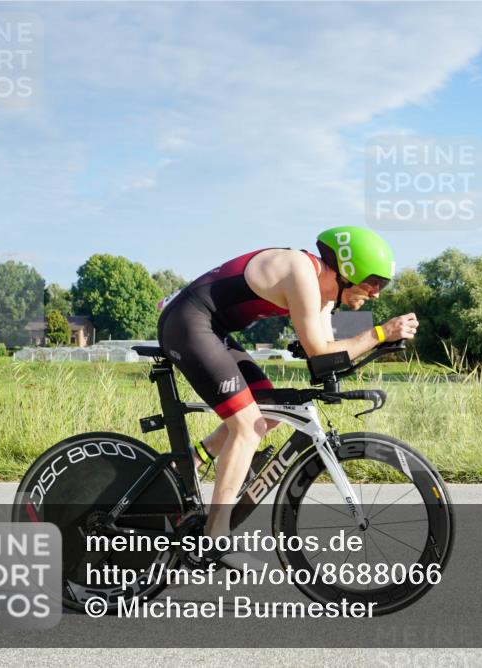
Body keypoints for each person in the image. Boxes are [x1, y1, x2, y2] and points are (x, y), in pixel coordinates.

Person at [156, 226, 418, 546]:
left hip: (213, 330)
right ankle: (215, 535)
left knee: (270, 413)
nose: (376, 292)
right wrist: (379, 334)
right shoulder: (301, 272)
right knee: (248, 426)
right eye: (375, 282)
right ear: (348, 270)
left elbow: (324, 358)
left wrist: (380, 346)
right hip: (189, 322)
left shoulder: (323, 298)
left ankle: (193, 460)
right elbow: (321, 351)